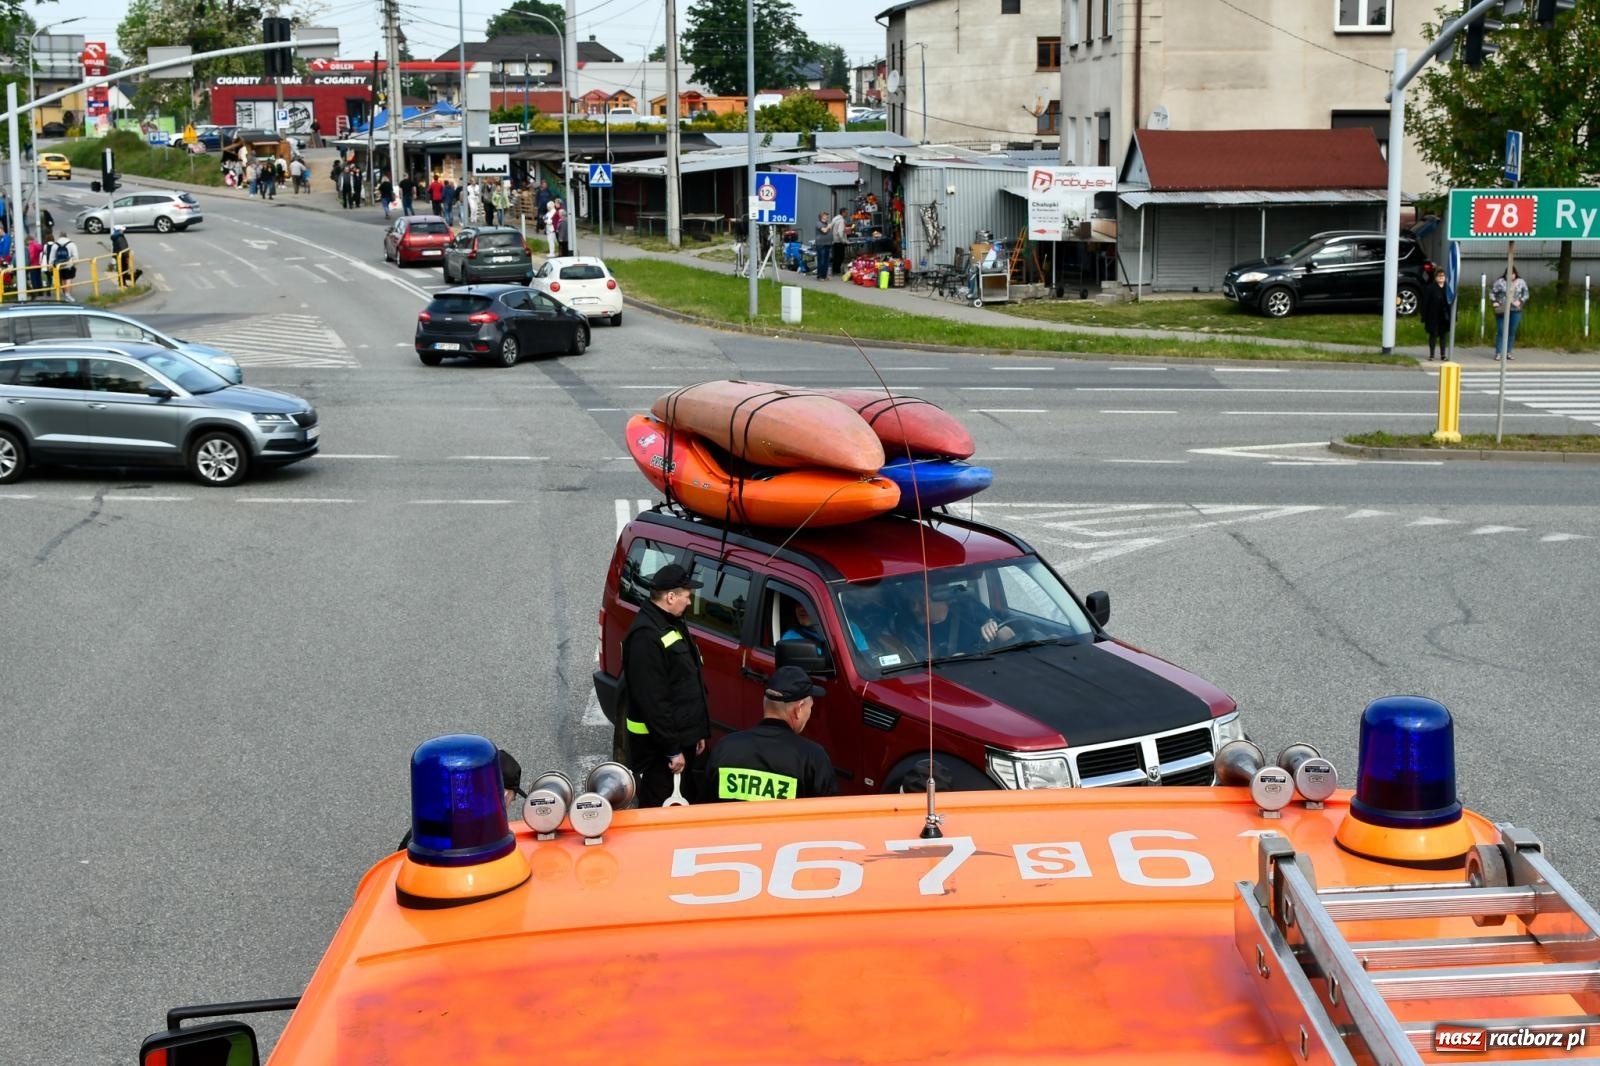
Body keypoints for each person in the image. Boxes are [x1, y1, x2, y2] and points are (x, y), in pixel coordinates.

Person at [619, 563, 711, 808]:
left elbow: (684, 682)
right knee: (659, 809)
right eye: (687, 596)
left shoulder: (671, 621)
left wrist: (698, 732)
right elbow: (653, 701)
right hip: (659, 753)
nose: (690, 602)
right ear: (670, 597)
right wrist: (672, 749)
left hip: (682, 741)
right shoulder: (645, 636)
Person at [703, 666, 838, 802]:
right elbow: (828, 815)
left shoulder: (725, 748)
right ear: (798, 709)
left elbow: (704, 807)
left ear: (764, 703)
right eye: (810, 708)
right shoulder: (813, 758)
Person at [894, 584, 1015, 660]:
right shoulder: (910, 627)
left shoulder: (969, 608)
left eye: (921, 602)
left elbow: (1008, 636)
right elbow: (917, 663)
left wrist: (993, 627)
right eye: (911, 604)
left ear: (938, 599)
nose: (914, 609)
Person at [1492, 266, 1529, 361]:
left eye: (1512, 274)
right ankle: (1498, 352)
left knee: (1512, 331)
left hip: (1515, 310)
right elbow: (1492, 293)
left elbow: (1526, 294)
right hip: (1502, 309)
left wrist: (1520, 301)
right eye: (1509, 274)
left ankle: (1508, 352)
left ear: (1515, 274)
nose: (1511, 276)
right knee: (1501, 330)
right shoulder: (1500, 282)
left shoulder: (1521, 282)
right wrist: (1495, 301)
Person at [1420, 266, 1453, 362]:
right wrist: (1424, 316)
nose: (1441, 277)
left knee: (1443, 336)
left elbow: (1452, 304)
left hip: (1444, 317)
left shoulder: (1448, 289)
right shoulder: (1430, 288)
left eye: (1443, 275)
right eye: (1439, 276)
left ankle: (1443, 355)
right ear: (1435, 277)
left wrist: (1453, 318)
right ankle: (1432, 354)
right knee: (1433, 335)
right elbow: (1425, 303)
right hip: (1432, 316)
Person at [49, 230, 78, 301]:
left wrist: (50, 266)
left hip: (58, 265)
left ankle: (65, 293)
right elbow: (75, 256)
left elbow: (52, 257)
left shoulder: (55, 245)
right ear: (66, 236)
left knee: (62, 279)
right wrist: (74, 263)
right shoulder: (71, 244)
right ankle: (68, 294)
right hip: (68, 265)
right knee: (68, 279)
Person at [828, 207, 848, 278]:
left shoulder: (835, 219)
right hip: (839, 241)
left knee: (835, 256)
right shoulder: (841, 221)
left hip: (834, 240)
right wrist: (843, 241)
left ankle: (834, 270)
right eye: (846, 212)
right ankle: (837, 271)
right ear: (843, 212)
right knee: (840, 256)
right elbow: (840, 232)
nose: (847, 214)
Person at [814, 211, 833, 281]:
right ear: (822, 216)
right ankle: (819, 276)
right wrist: (828, 227)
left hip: (828, 243)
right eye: (826, 215)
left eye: (827, 215)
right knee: (821, 260)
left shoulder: (827, 224)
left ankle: (824, 275)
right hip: (821, 244)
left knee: (826, 260)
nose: (827, 217)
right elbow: (824, 231)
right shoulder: (819, 223)